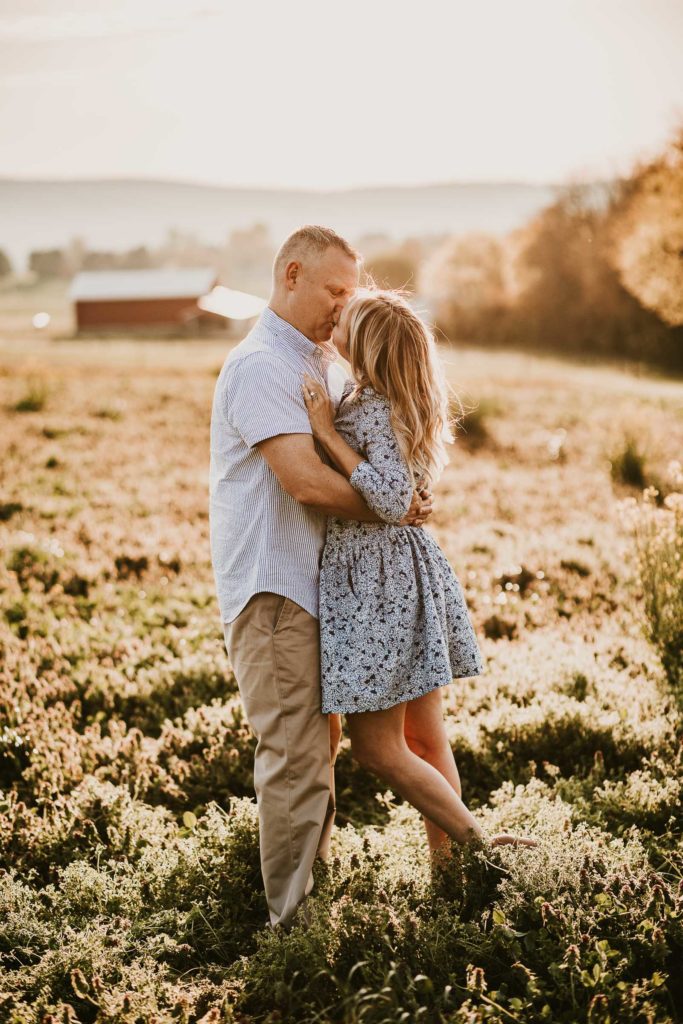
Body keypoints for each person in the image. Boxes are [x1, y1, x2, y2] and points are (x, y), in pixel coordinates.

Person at [209, 227, 433, 932]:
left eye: (350, 292)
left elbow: (369, 459)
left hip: (326, 594)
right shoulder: (261, 366)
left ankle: (311, 910)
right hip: (275, 593)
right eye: (335, 290)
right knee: (296, 763)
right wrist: (395, 510)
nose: (344, 305)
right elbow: (306, 482)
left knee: (319, 757)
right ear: (292, 275)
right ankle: (294, 937)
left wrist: (395, 492)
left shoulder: (326, 364)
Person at [301, 288, 539, 860]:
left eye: (348, 318)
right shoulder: (391, 403)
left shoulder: (374, 409)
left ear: (368, 346)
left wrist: (328, 434)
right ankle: (449, 873)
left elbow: (387, 497)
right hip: (402, 573)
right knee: (425, 738)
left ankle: (478, 848)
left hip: (380, 583)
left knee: (379, 749)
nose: (338, 317)